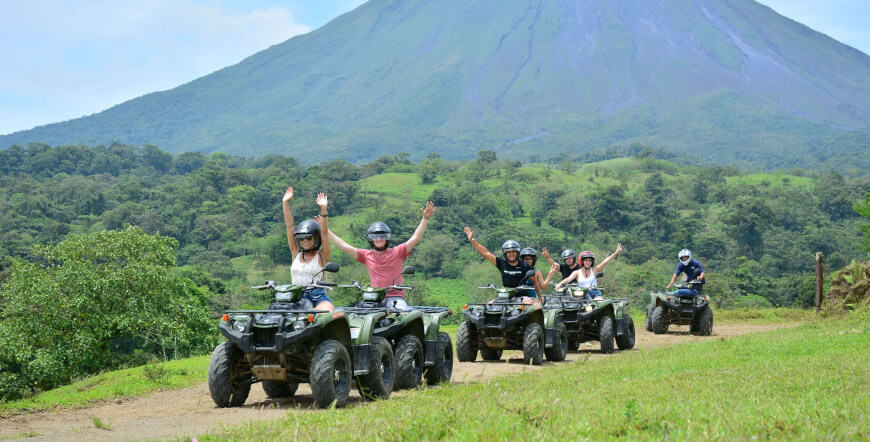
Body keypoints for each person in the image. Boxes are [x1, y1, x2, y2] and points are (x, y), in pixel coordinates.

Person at [329, 201, 437, 310]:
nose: (379, 239)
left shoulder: (398, 252)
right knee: (358, 316)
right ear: (371, 239)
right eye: (375, 236)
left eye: (382, 235)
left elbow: (415, 238)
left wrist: (425, 218)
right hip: (375, 298)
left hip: (395, 297)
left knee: (402, 315)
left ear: (387, 238)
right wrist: (325, 230)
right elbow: (344, 246)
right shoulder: (366, 255)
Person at [282, 187, 334, 311]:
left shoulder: (322, 256)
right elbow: (289, 227)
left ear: (315, 238)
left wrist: (323, 209)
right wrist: (285, 203)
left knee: (324, 313)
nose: (305, 240)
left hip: (317, 296)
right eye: (302, 238)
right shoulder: (296, 253)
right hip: (295, 295)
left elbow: (325, 232)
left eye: (309, 237)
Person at [463, 227, 543, 305]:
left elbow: (535, 283)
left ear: (517, 252)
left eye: (513, 252)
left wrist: (540, 300)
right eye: (509, 252)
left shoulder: (525, 265)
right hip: (505, 297)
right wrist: (472, 240)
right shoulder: (502, 263)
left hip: (521, 297)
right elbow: (486, 253)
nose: (511, 254)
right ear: (505, 254)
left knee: (528, 303)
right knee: (488, 305)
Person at [555, 244, 623, 299]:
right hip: (582, 294)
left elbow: (605, 261)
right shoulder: (577, 272)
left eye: (590, 261)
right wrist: (560, 284)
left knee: (599, 302)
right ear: (582, 261)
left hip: (595, 293)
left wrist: (616, 253)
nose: (588, 262)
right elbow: (568, 279)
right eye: (586, 260)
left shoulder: (594, 270)